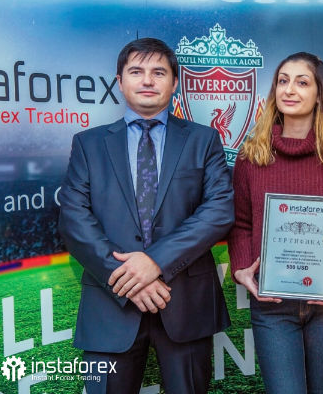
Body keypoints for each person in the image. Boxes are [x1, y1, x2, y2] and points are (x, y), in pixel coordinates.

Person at [58, 38, 234, 393]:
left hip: (185, 304)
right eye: (136, 71)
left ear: (175, 82)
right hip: (110, 306)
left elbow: (219, 210)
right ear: (120, 81)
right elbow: (73, 220)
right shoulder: (88, 144)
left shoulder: (204, 140)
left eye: (159, 72)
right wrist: (126, 277)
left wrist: (154, 262)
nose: (148, 80)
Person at [228, 52, 323, 394]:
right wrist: (242, 268)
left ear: (320, 94)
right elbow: (241, 224)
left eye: (302, 82)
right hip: (271, 306)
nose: (289, 90)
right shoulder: (251, 156)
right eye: (283, 81)